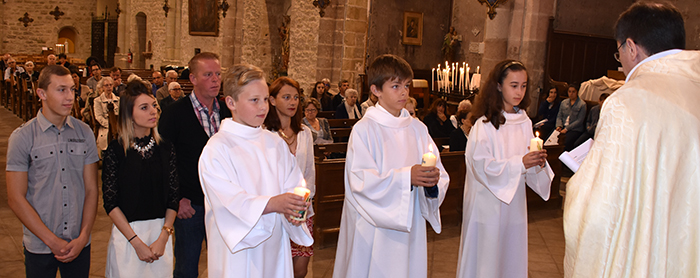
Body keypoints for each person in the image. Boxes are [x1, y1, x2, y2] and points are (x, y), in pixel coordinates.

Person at [564, 3, 700, 277]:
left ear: (631, 47)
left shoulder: (627, 101)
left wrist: (586, 175)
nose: (622, 62)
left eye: (619, 53)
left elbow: (598, 208)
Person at [332, 54, 449, 278]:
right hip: (373, 227)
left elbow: (439, 172)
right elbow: (360, 181)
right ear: (376, 90)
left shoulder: (418, 129)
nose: (404, 92)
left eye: (406, 85)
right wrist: (407, 178)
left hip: (410, 219)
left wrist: (432, 182)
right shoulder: (365, 129)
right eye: (395, 86)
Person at [199, 64, 313, 277]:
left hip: (275, 244)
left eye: (265, 99)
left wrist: (295, 210)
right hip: (240, 251)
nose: (263, 107)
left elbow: (295, 183)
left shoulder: (275, 143)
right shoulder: (218, 148)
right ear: (231, 102)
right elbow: (228, 201)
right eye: (254, 100)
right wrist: (274, 203)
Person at [456, 60, 553, 278]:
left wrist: (538, 163)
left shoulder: (525, 122)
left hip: (514, 205)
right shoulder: (484, 125)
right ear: (499, 86)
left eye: (524, 85)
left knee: (510, 258)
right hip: (487, 206)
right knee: (486, 263)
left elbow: (530, 169)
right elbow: (481, 166)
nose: (520, 91)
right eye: (514, 85)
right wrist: (520, 163)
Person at [6, 65, 99, 278]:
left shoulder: (84, 133)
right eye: (61, 90)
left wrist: (84, 236)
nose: (70, 97)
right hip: (40, 245)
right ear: (41, 94)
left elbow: (92, 190)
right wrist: (52, 241)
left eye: (73, 90)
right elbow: (15, 198)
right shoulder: (23, 137)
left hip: (78, 241)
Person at [158, 52, 231, 278]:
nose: (215, 80)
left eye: (218, 74)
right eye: (208, 74)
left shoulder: (227, 112)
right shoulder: (175, 113)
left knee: (224, 265)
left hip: (223, 203)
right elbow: (164, 160)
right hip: (190, 205)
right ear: (193, 78)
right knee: (187, 267)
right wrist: (177, 198)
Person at [102, 80, 179, 277]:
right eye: (144, 108)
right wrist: (136, 242)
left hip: (160, 233)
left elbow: (173, 196)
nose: (153, 111)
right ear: (129, 114)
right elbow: (111, 203)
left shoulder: (166, 147)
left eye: (153, 105)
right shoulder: (117, 150)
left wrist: (164, 236)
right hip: (128, 236)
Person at [263, 76, 316, 278]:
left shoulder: (305, 134)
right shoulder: (265, 135)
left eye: (296, 97)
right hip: (276, 213)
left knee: (300, 270)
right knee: (277, 268)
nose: (293, 102)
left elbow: (310, 173)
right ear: (273, 100)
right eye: (286, 97)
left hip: (302, 211)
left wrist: (306, 204)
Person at [555, 84, 586, 151]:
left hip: (574, 129)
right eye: (569, 91)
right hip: (563, 126)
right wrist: (559, 125)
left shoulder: (582, 104)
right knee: (551, 138)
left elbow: (579, 121)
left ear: (577, 92)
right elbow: (559, 116)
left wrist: (567, 129)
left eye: (573, 92)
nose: (571, 94)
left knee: (565, 142)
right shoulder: (564, 102)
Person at [93, 77, 119, 155]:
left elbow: (121, 115)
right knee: (106, 138)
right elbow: (98, 117)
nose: (109, 87)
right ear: (102, 87)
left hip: (118, 127)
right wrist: (110, 126)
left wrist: (117, 126)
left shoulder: (118, 100)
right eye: (106, 85)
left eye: (110, 85)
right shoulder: (97, 101)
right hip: (105, 127)